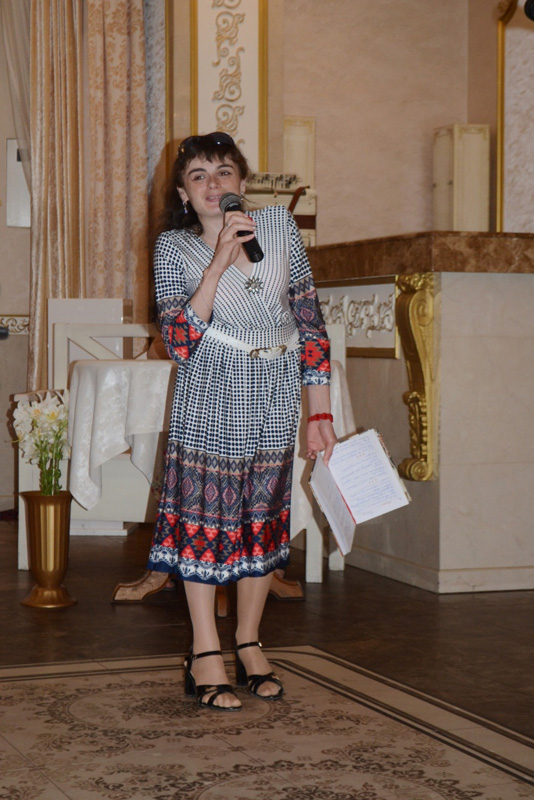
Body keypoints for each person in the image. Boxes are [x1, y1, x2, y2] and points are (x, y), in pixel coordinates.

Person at [146, 131, 336, 711]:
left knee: (262, 518)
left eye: (224, 172)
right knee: (206, 519)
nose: (213, 185)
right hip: (212, 386)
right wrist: (217, 263)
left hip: (275, 387)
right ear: (184, 193)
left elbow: (310, 322)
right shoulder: (174, 247)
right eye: (198, 176)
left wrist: (320, 410)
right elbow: (178, 342)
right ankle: (205, 650)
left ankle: (250, 643)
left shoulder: (278, 227)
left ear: (242, 182)